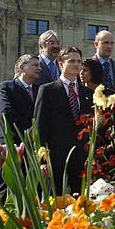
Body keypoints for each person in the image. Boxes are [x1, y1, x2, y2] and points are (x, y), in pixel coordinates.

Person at [33, 46, 93, 194]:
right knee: (55, 200)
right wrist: (42, 160)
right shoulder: (47, 90)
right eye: (71, 61)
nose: (76, 64)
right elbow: (39, 126)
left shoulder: (88, 93)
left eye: (79, 61)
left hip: (81, 158)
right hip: (56, 157)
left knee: (82, 203)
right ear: (61, 63)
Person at [0, 54, 41, 144]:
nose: (40, 69)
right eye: (35, 65)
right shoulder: (6, 87)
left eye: (39, 66)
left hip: (34, 147)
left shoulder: (40, 90)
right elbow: (5, 115)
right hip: (12, 145)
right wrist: (32, 131)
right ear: (22, 67)